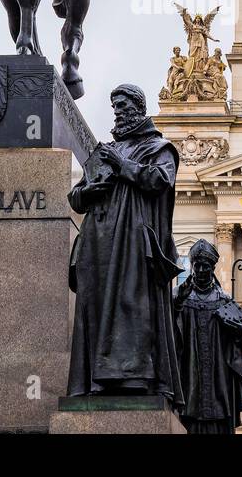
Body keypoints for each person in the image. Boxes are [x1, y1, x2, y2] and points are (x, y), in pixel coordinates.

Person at [67, 84, 183, 400]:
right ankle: (95, 381)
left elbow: (160, 180)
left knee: (133, 309)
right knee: (97, 310)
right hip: (99, 244)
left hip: (133, 244)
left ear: (137, 107)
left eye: (123, 104)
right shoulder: (104, 149)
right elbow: (76, 197)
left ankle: (135, 378)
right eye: (114, 105)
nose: (118, 110)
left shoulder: (160, 148)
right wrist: (87, 193)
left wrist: (121, 167)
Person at [173, 240, 242, 434]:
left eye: (205, 266)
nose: (200, 270)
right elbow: (167, 329)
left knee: (219, 416)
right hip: (189, 371)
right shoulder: (181, 296)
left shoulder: (224, 300)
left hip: (219, 375)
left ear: (213, 267)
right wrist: (178, 302)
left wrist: (241, 332)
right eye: (196, 266)